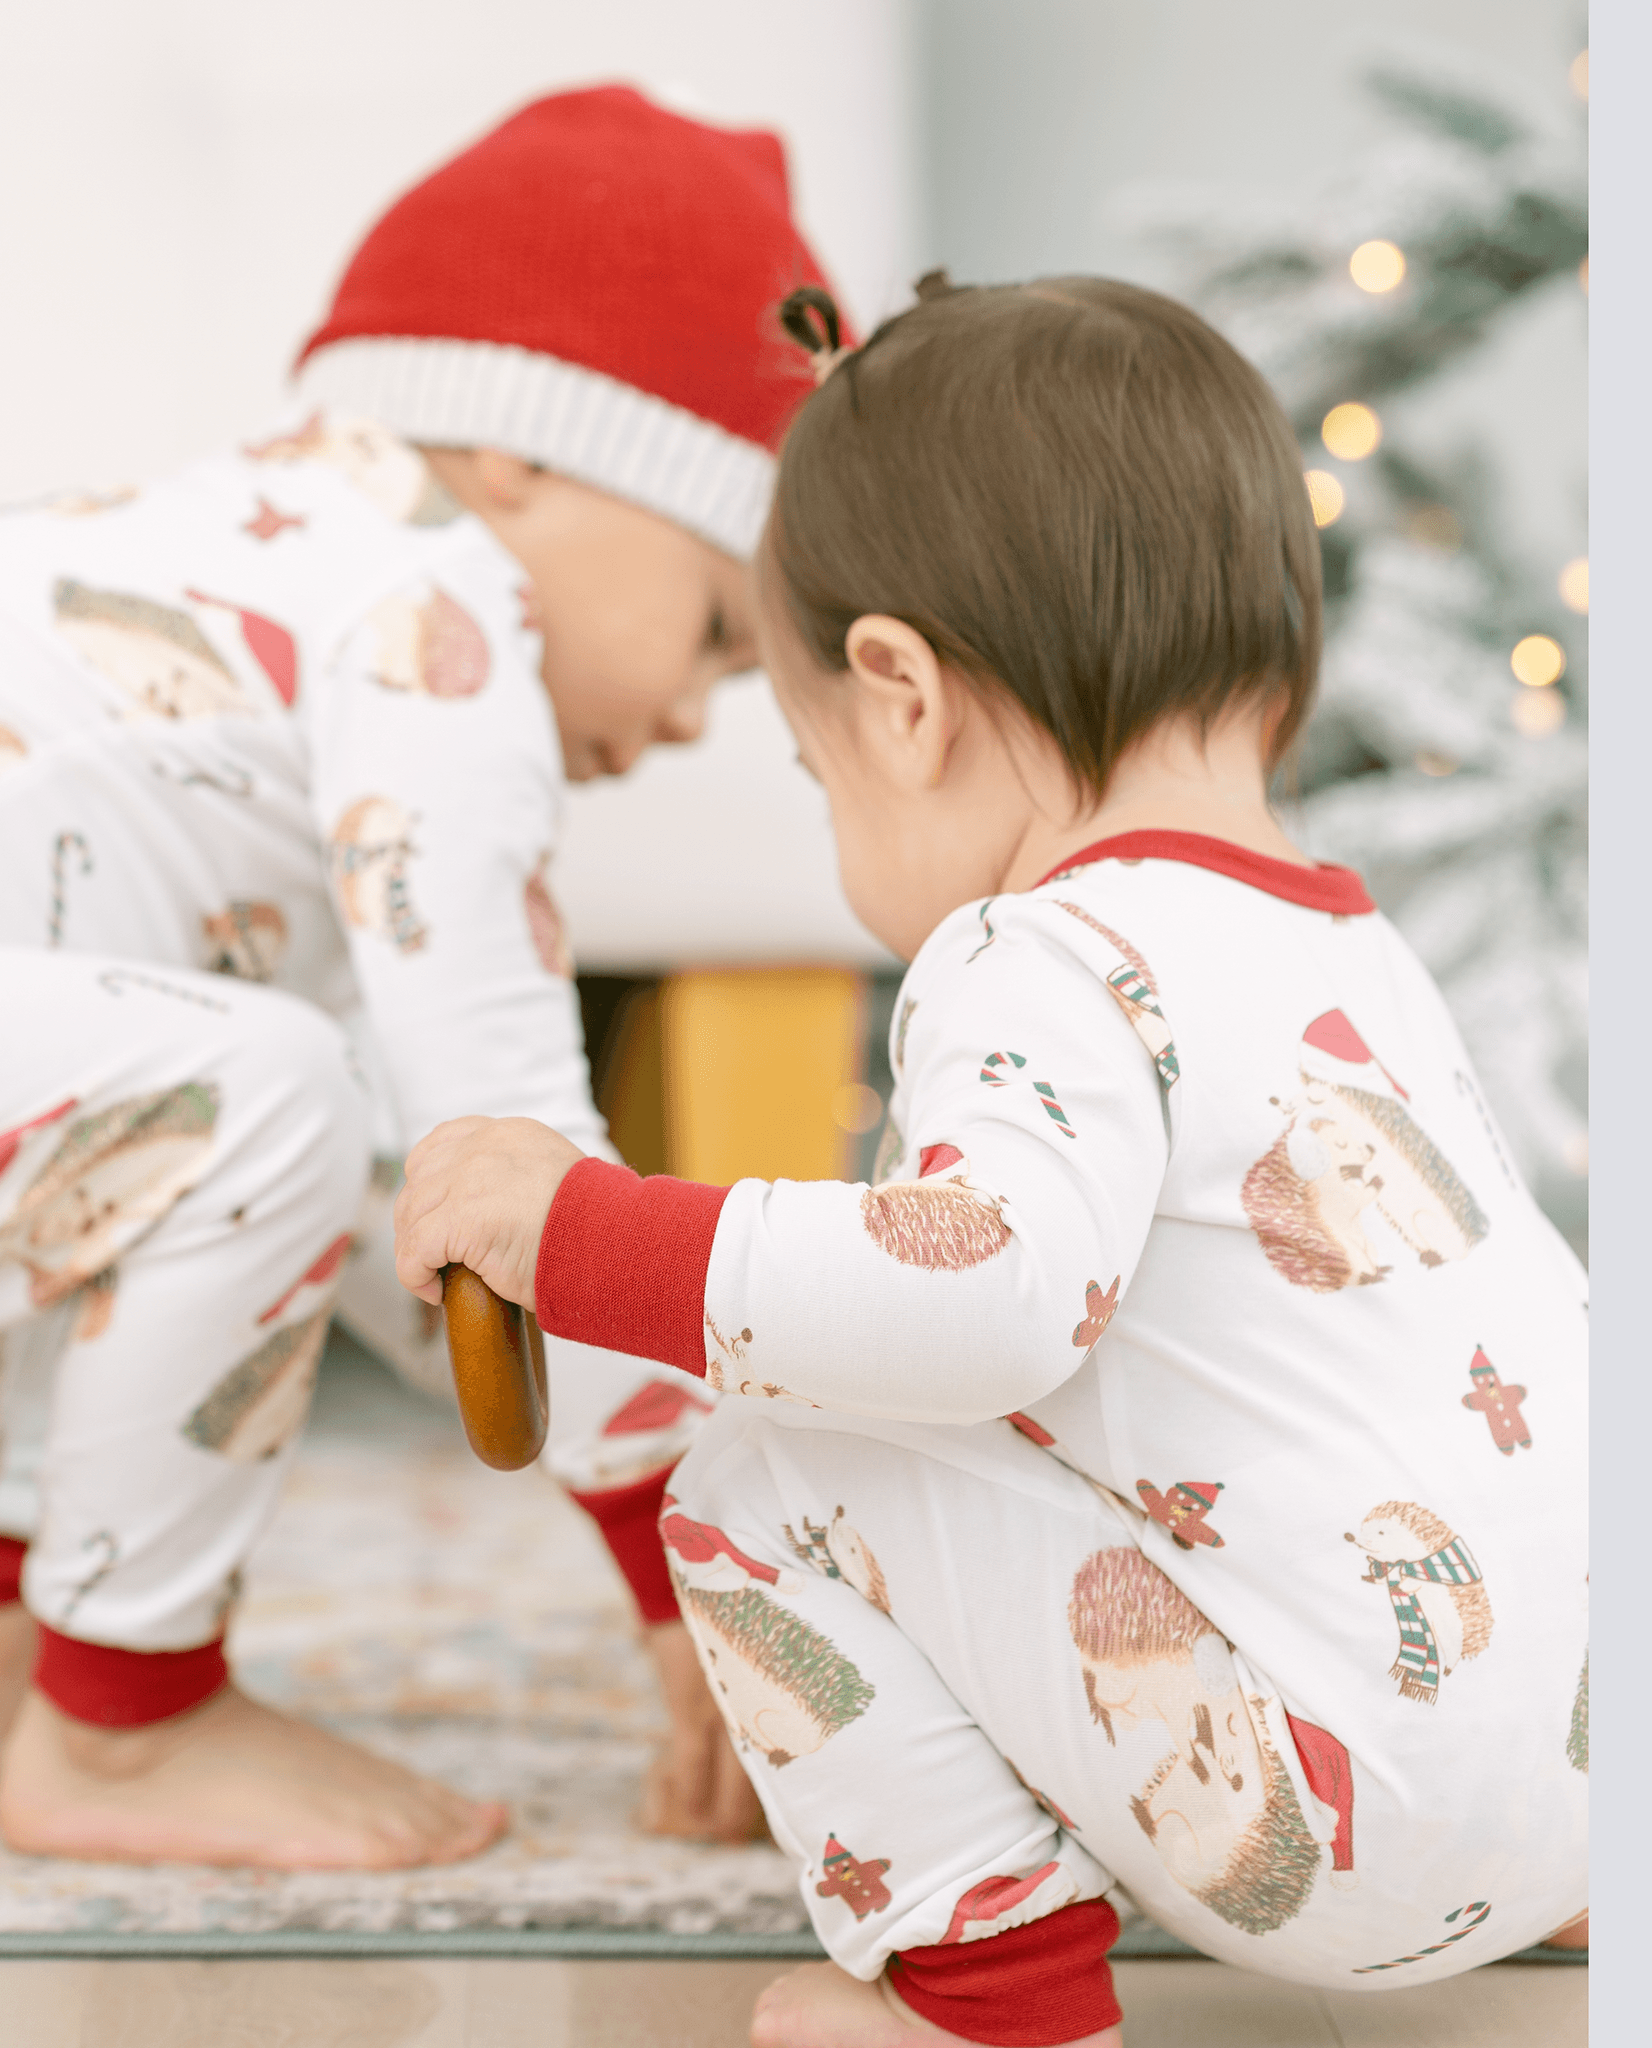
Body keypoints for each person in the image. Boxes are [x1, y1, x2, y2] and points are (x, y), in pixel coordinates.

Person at [392, 275, 1589, 2042]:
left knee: (764, 1466)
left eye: (813, 774)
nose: (835, 822)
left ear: (900, 697)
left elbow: (981, 1303)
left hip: (1350, 1846)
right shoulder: (1347, 944)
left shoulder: (1043, 953)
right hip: (1579, 1797)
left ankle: (988, 2003)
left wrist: (582, 1233)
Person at [0, 85, 827, 1870]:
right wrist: (696, 1574)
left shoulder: (250, 572)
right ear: (524, 458)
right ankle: (125, 1736)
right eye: (713, 631)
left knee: (147, 1092)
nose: (687, 715)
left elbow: (389, 1171)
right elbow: (503, 1147)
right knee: (249, 1087)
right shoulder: (439, 619)